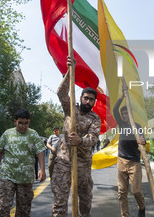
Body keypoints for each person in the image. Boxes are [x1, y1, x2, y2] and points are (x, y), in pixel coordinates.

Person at [51, 57, 101, 217]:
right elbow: (61, 93)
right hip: (64, 160)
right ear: (81, 98)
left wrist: (80, 140)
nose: (88, 101)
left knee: (85, 201)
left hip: (82, 163)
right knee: (60, 200)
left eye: (91, 99)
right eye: (85, 98)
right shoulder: (70, 108)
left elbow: (93, 137)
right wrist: (69, 72)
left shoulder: (95, 118)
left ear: (94, 102)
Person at [0, 109, 46, 216]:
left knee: (23, 209)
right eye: (20, 122)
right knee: (2, 205)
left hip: (25, 178)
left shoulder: (33, 134)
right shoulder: (7, 133)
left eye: (26, 123)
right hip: (8, 175)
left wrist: (42, 170)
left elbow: (40, 152)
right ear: (15, 121)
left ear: (29, 122)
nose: (23, 126)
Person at [113, 89, 146, 217]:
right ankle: (125, 215)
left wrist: (142, 141)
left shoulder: (137, 127)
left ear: (131, 114)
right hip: (121, 161)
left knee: (136, 191)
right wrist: (121, 97)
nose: (125, 115)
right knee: (121, 191)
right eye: (123, 113)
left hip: (134, 162)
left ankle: (141, 207)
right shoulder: (121, 124)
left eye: (127, 113)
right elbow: (115, 110)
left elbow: (142, 142)